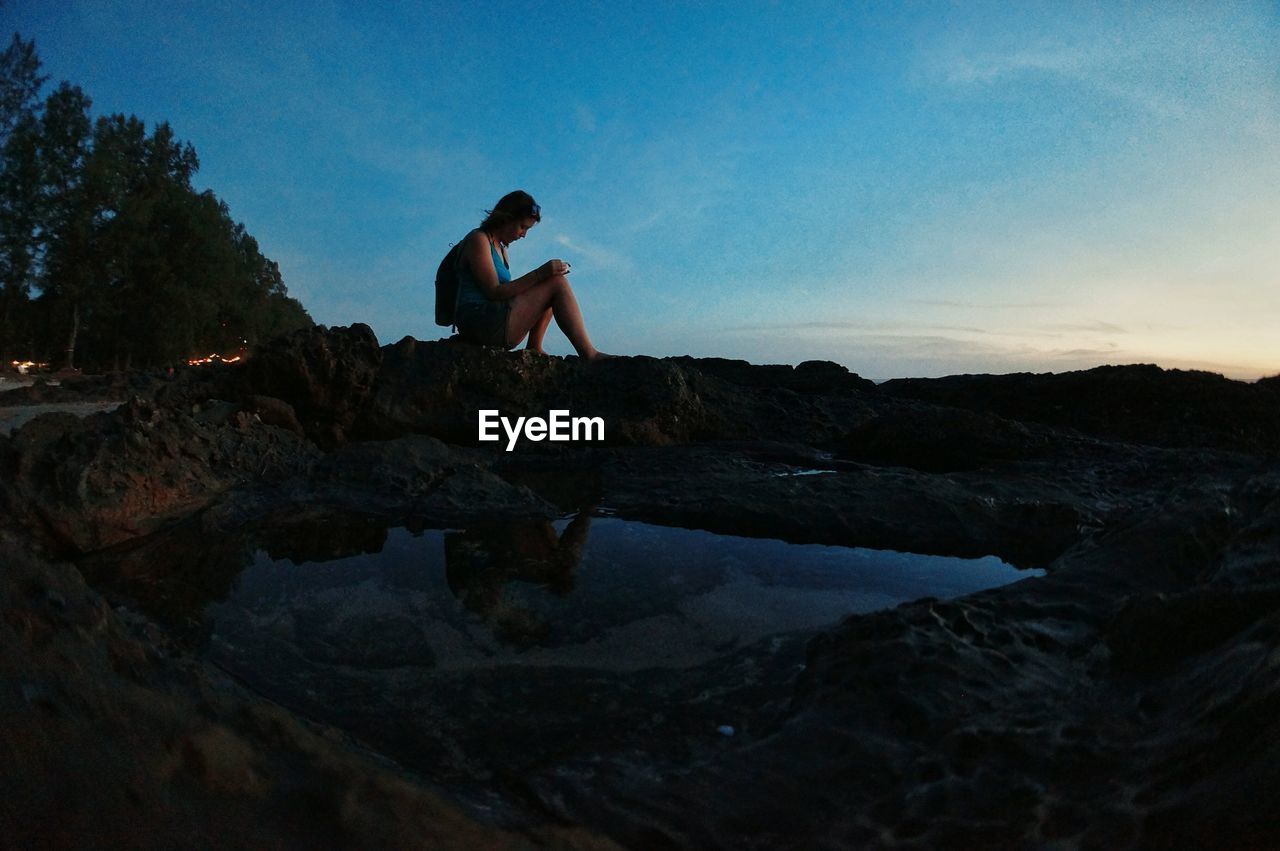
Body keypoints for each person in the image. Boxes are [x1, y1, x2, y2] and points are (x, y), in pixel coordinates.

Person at [453, 190, 608, 360]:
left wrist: (543, 277)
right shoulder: (479, 239)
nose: (523, 235)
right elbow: (494, 291)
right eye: (522, 227)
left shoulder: (502, 250)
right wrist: (540, 274)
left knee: (551, 281)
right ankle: (589, 353)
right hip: (479, 321)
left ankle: (535, 346)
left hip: (492, 321)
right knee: (556, 283)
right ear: (506, 218)